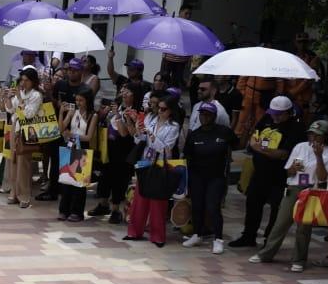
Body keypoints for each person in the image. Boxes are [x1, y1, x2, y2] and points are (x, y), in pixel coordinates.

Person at [251, 121, 328, 271]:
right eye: (311, 134)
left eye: (317, 135)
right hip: (294, 186)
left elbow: (323, 178)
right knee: (281, 222)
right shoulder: (300, 146)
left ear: (325, 136)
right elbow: (288, 172)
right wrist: (293, 168)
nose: (313, 138)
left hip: (313, 189)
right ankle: (266, 253)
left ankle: (299, 259)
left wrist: (319, 157)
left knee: (304, 226)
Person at [231, 96, 306, 248]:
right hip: (260, 172)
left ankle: (269, 240)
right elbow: (254, 137)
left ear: (288, 112)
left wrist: (260, 148)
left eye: (279, 114)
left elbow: (283, 154)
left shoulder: (296, 128)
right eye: (273, 113)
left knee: (276, 209)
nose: (275, 117)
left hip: (280, 176)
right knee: (253, 203)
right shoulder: (267, 118)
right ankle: (248, 236)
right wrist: (258, 146)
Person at [124, 95, 182, 247]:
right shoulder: (151, 119)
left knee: (158, 202)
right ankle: (134, 232)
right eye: (159, 108)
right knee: (139, 199)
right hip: (145, 161)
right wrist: (138, 130)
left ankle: (157, 236)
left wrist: (151, 134)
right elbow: (139, 140)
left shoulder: (174, 126)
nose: (160, 111)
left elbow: (166, 149)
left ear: (171, 110)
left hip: (160, 164)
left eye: (164, 109)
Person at [182, 101, 237, 254]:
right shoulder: (194, 135)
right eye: (202, 114)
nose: (204, 117)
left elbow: (237, 144)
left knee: (213, 207)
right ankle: (197, 235)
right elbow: (187, 156)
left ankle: (218, 239)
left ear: (214, 116)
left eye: (208, 115)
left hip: (217, 176)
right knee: (197, 206)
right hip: (197, 176)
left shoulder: (224, 132)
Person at [101, 83, 145, 226]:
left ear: (135, 95)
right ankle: (103, 204)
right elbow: (107, 123)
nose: (124, 94)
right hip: (109, 147)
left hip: (124, 150)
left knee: (119, 180)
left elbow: (124, 133)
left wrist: (118, 116)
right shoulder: (118, 106)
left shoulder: (135, 112)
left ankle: (116, 210)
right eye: (123, 91)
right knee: (105, 176)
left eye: (128, 92)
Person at [8, 67, 45, 208]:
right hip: (15, 128)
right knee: (13, 160)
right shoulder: (21, 92)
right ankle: (14, 192)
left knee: (24, 163)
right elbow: (11, 109)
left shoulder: (36, 95)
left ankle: (24, 195)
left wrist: (18, 98)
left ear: (33, 81)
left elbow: (29, 114)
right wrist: (8, 97)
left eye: (27, 80)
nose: (23, 83)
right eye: (22, 80)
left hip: (27, 130)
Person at [56, 91, 95, 221]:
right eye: (77, 100)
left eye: (81, 100)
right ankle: (64, 210)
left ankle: (77, 212)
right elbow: (61, 128)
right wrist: (61, 113)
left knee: (79, 182)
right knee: (66, 178)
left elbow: (88, 136)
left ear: (87, 101)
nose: (78, 103)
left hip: (83, 147)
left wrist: (72, 135)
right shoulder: (73, 112)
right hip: (70, 145)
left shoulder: (92, 115)